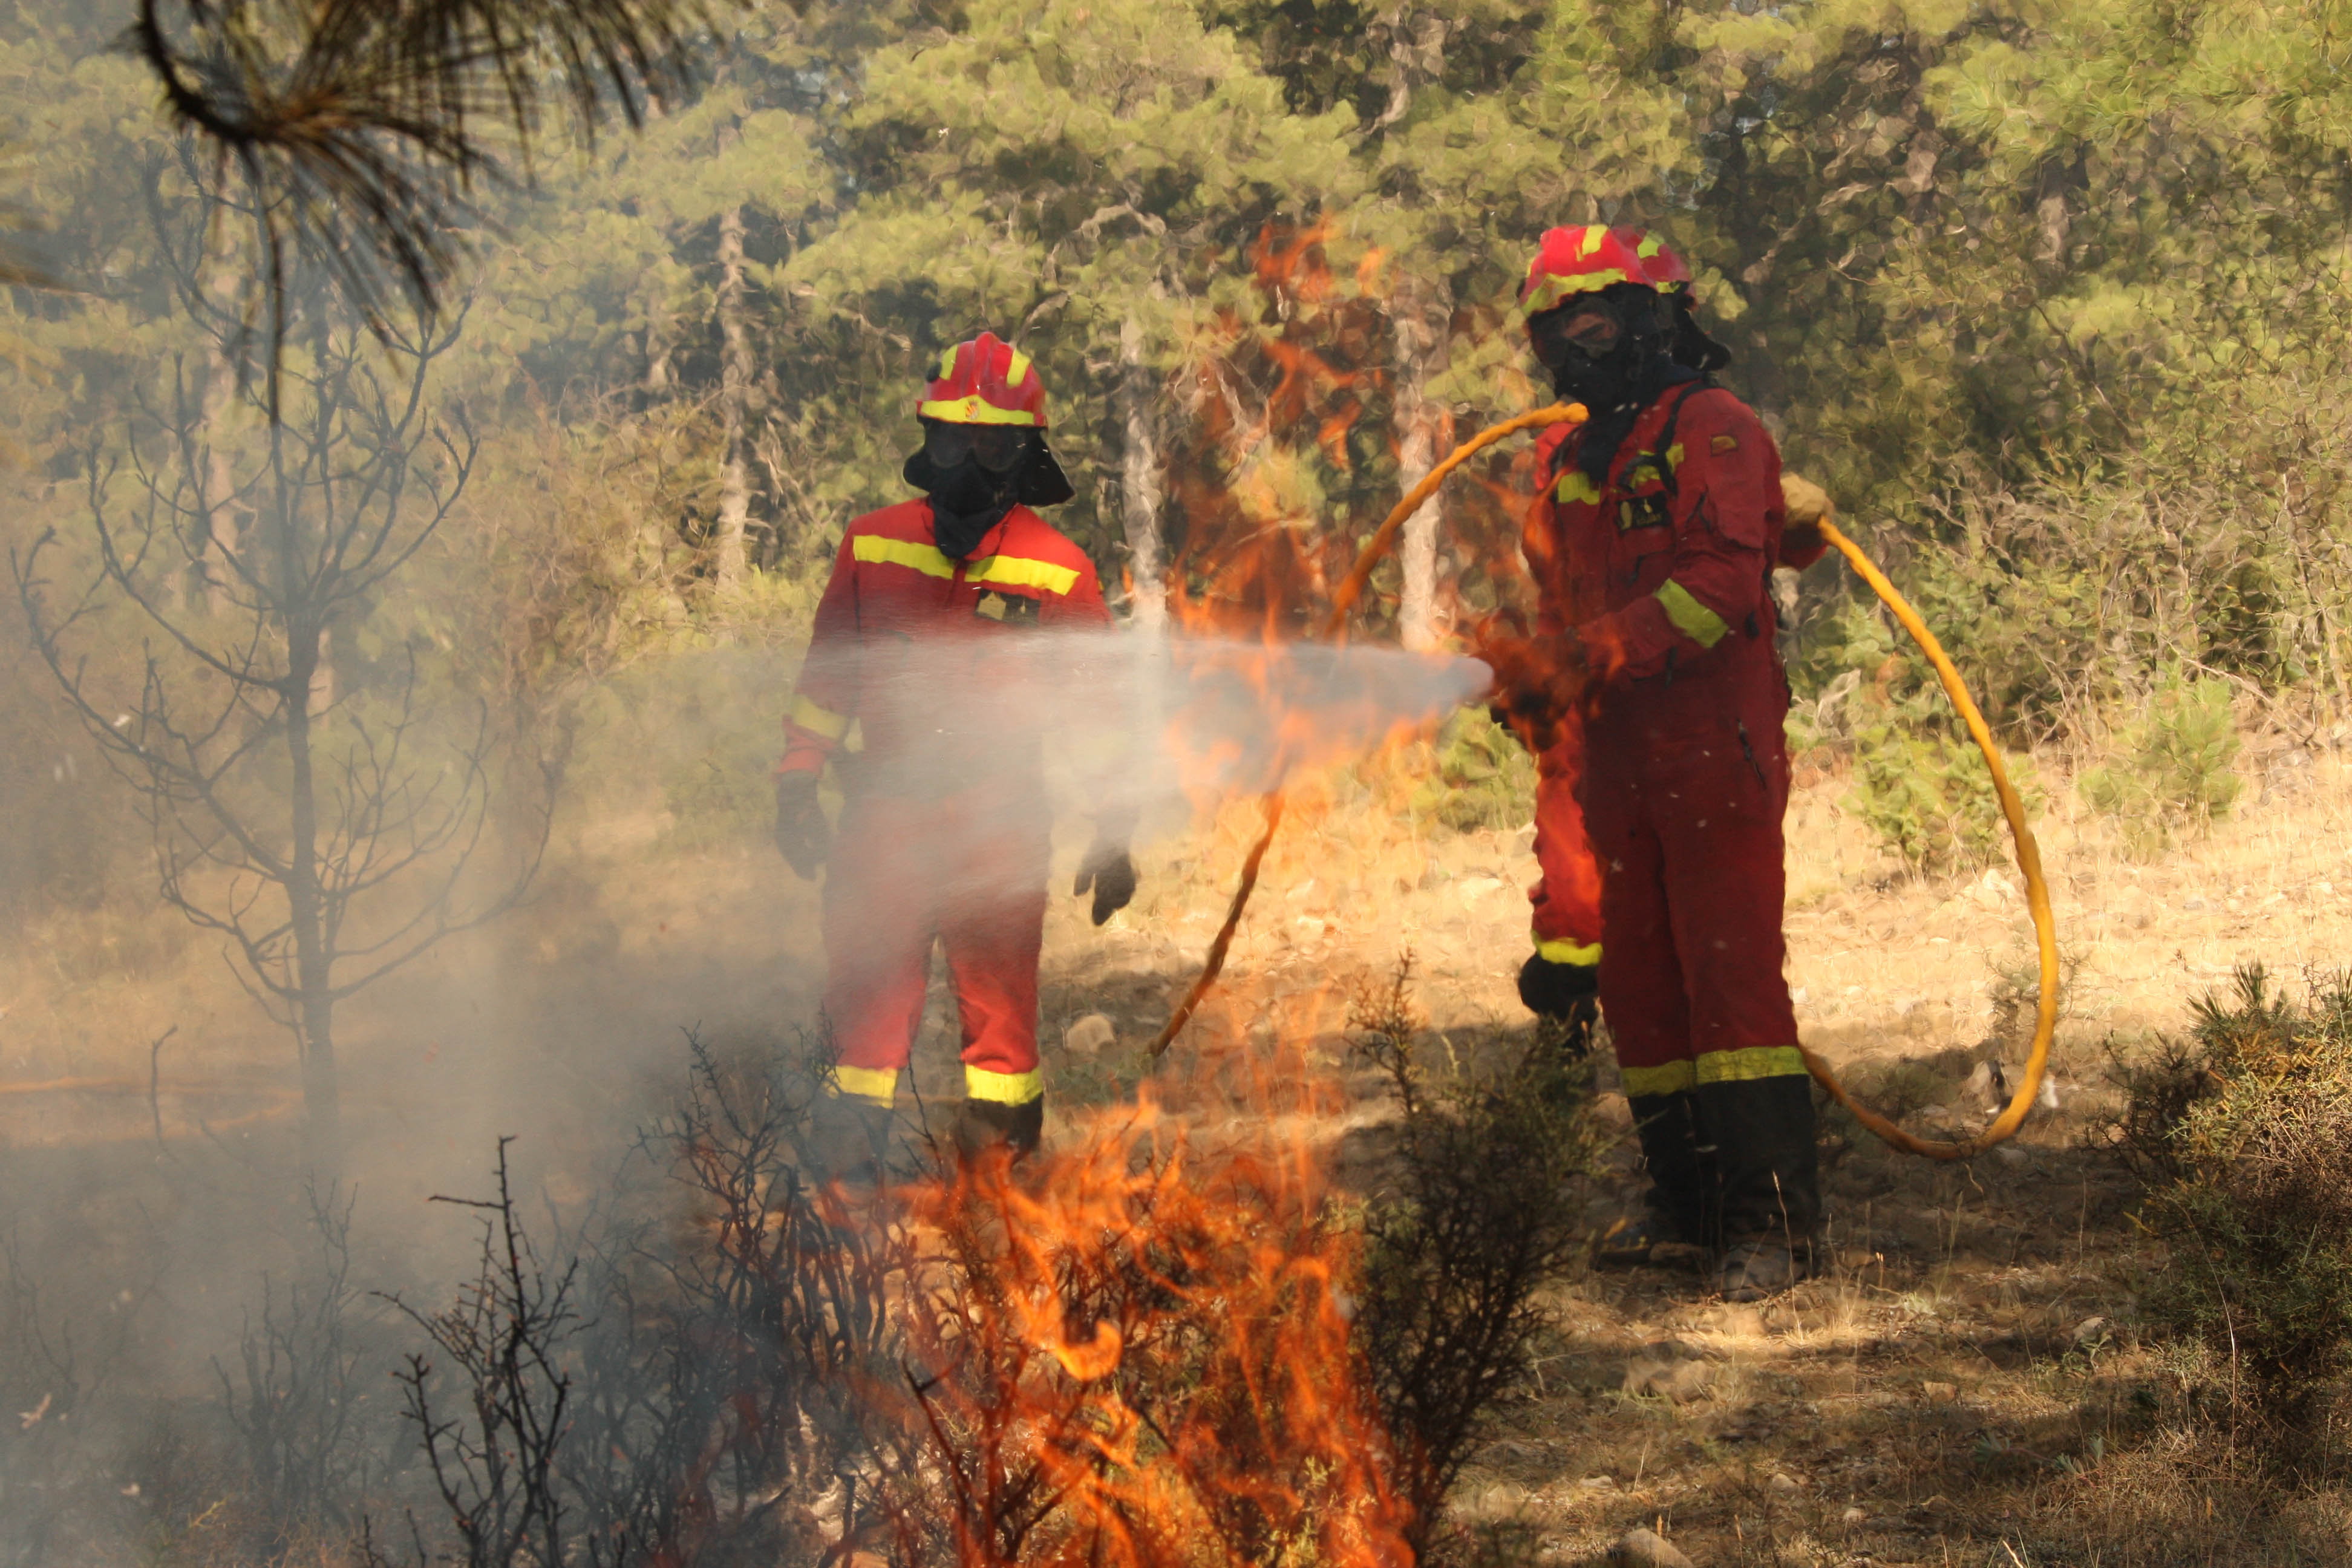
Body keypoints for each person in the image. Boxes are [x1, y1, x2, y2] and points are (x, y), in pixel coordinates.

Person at [1484, 225, 1822, 1301]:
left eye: (1590, 321)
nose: (1570, 349)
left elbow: (1717, 588)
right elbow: (1564, 606)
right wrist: (1529, 677)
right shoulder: (1571, 464)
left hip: (1713, 747)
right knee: (1639, 984)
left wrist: (1584, 658)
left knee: (1727, 976)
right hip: (1617, 761)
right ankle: (1687, 1206)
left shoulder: (1713, 427)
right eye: (1553, 332)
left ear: (1647, 318)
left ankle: (1773, 1227)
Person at [772, 332, 1138, 1173]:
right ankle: (846, 1195)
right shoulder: (871, 545)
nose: (968, 465)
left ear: (1025, 456)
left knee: (1001, 1014)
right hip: (884, 816)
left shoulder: (1058, 570)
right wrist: (797, 783)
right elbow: (827, 680)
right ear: (926, 442)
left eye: (992, 446)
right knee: (863, 1004)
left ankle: (998, 1197)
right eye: (950, 442)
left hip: (999, 823)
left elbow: (1098, 716)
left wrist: (1113, 830)